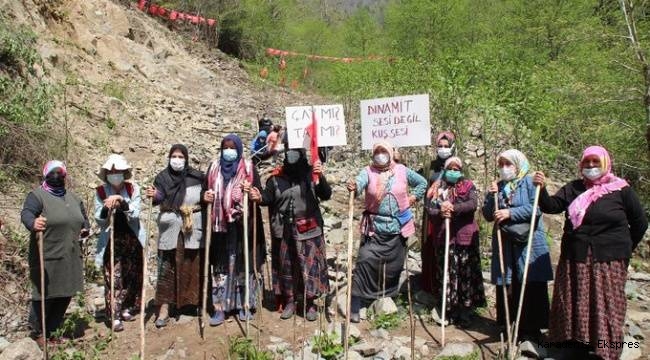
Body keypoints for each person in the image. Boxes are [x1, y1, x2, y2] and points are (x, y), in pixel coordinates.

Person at [533, 146, 648, 360]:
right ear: (581, 165)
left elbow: (640, 222)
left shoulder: (621, 190)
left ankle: (606, 346)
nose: (591, 166)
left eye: (596, 162)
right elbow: (552, 206)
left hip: (610, 259)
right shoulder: (574, 188)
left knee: (606, 304)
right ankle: (576, 342)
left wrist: (623, 249)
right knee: (576, 300)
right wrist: (542, 189)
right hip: (576, 255)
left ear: (605, 163)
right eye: (587, 162)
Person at [346, 142, 427, 323]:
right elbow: (360, 183)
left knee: (393, 266)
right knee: (365, 260)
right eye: (377, 151)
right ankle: (356, 300)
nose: (380, 154)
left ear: (390, 153)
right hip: (374, 227)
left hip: (398, 226)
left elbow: (422, 182)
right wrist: (354, 186)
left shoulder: (402, 170)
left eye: (384, 151)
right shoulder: (368, 171)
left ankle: (385, 298)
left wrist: (413, 197)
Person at [482, 149, 553, 341]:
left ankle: (532, 328)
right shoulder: (497, 186)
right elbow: (488, 215)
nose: (504, 169)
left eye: (508, 164)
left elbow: (536, 209)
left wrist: (510, 213)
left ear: (518, 164)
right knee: (508, 281)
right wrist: (491, 197)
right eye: (501, 165)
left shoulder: (530, 182)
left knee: (529, 280)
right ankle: (509, 325)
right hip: (505, 242)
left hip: (528, 241)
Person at [256, 147, 331, 321]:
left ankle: (310, 302)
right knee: (286, 266)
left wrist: (321, 177)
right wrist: (257, 197)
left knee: (310, 266)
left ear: (302, 155)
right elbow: (267, 199)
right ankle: (290, 300)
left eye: (295, 152)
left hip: (309, 229)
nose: (291, 155)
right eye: (289, 152)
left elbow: (325, 194)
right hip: (284, 231)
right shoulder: (275, 178)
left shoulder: (311, 175)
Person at [21, 160, 90, 345]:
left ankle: (52, 330)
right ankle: (37, 333)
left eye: (60, 172)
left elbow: (83, 219)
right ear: (45, 174)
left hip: (70, 253)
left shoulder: (74, 198)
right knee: (44, 293)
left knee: (66, 291)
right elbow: (27, 213)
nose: (56, 175)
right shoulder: (37, 196)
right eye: (52, 172)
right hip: (47, 254)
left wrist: (85, 229)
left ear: (65, 175)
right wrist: (33, 223)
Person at [203, 134, 265, 326]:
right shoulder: (214, 168)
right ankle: (220, 307)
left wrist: (253, 194)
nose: (229, 151)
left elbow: (259, 193)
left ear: (238, 149)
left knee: (243, 265)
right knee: (221, 267)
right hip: (220, 228)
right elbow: (204, 193)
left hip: (243, 226)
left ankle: (244, 305)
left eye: (232, 147)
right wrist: (205, 197)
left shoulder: (249, 168)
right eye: (225, 147)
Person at [145, 144, 204, 328]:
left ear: (186, 158)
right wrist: (154, 195)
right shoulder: (162, 178)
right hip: (169, 227)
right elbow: (158, 197)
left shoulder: (197, 177)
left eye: (180, 156)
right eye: (174, 156)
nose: (177, 160)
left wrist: (207, 198)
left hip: (191, 227)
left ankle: (191, 304)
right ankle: (164, 308)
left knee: (191, 263)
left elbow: (205, 197)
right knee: (167, 266)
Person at [425, 156, 486, 326]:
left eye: (456, 168)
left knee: (465, 273)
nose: (453, 171)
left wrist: (454, 207)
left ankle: (465, 311)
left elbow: (472, 204)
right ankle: (448, 309)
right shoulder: (437, 188)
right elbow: (430, 209)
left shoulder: (468, 186)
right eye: (450, 168)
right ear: (445, 169)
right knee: (447, 272)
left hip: (464, 238)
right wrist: (440, 212)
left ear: (460, 170)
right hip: (445, 237)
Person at [94, 154, 145, 332]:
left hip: (131, 238)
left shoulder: (132, 189)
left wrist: (122, 203)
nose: (115, 174)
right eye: (111, 171)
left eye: (118, 171)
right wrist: (106, 209)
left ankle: (125, 306)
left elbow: (136, 214)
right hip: (111, 240)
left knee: (130, 275)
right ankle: (114, 314)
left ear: (124, 173)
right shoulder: (101, 192)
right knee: (113, 277)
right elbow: (99, 221)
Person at [420, 131, 456, 292]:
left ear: (452, 147)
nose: (443, 149)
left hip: (450, 215)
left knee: (448, 248)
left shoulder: (458, 166)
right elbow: (417, 180)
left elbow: (465, 186)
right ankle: (430, 285)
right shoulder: (430, 166)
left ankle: (447, 287)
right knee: (430, 246)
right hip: (432, 215)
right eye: (440, 146)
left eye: (446, 146)